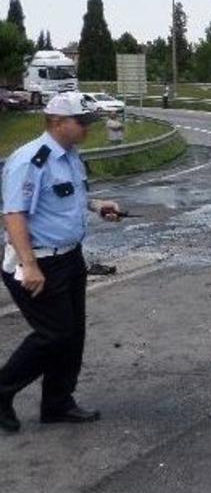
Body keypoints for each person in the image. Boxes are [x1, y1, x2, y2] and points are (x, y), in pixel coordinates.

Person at [0, 91, 122, 433]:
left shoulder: (69, 156)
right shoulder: (30, 160)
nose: (87, 128)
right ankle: (3, 389)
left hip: (70, 257)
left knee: (73, 335)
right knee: (54, 334)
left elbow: (69, 198)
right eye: (81, 122)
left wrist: (97, 205)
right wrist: (31, 265)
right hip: (37, 261)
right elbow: (13, 215)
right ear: (56, 122)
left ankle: (57, 403)